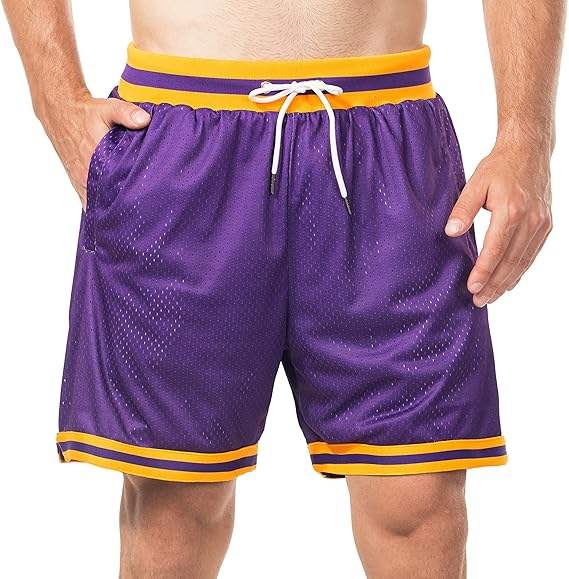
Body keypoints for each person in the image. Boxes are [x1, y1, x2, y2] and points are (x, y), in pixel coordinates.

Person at [3, 0, 565, 577]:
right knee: (174, 504)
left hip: (386, 137)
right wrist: (56, 100)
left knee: (418, 502)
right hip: (182, 136)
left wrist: (527, 135)